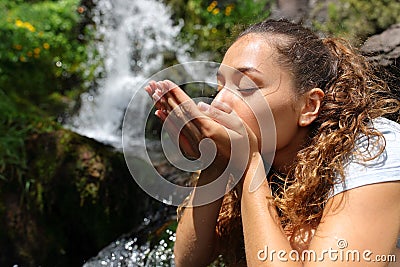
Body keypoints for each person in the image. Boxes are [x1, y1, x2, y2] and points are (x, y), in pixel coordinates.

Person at [144, 19, 400, 266]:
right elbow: (188, 260)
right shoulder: (262, 154)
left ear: (309, 105)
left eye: (245, 87)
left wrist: (249, 162)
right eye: (219, 88)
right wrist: (217, 162)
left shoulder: (374, 146)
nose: (218, 103)